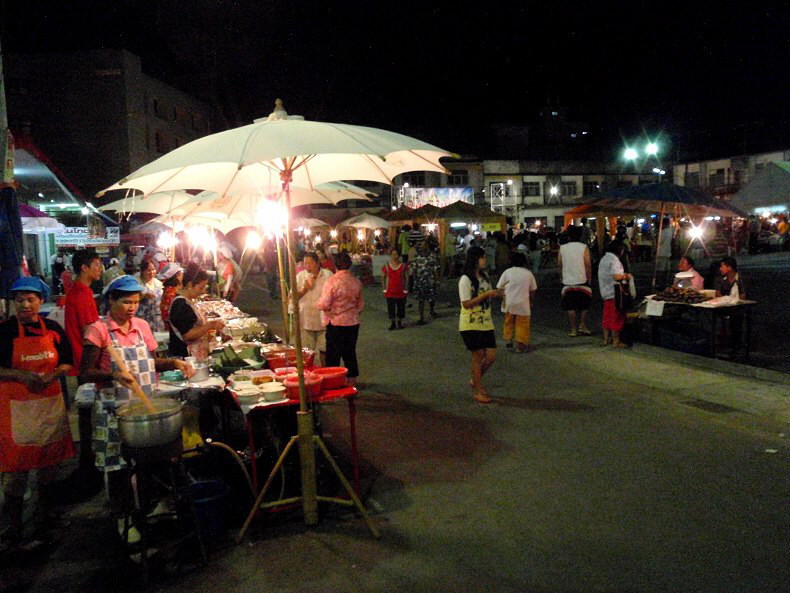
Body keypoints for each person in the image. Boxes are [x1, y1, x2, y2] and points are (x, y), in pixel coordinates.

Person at [79, 276, 193, 538]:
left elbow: (152, 363)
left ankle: (149, 509)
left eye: (136, 302)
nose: (132, 307)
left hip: (144, 409)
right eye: (126, 302)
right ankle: (124, 519)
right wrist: (113, 375)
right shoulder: (98, 331)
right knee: (118, 468)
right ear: (111, 300)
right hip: (114, 411)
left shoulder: (141, 326)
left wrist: (175, 363)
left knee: (148, 462)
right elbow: (84, 373)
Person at [0, 277, 75, 547]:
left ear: (41, 301)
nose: (24, 304)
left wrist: (53, 374)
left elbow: (67, 361)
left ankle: (46, 518)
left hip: (48, 408)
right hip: (15, 412)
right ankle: (12, 529)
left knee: (48, 466)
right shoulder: (5, 331)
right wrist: (21, 375)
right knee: (16, 471)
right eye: (19, 299)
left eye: (30, 299)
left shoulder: (53, 328)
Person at [63, 249, 103, 479]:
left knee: (86, 411)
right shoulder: (82, 294)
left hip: (81, 361)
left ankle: (87, 457)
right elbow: (90, 331)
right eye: (96, 265)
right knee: (87, 412)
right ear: (84, 268)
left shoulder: (79, 292)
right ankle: (88, 461)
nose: (100, 269)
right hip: (85, 362)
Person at [459, 246, 500, 404]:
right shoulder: (465, 280)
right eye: (482, 257)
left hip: (486, 322)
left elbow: (486, 296)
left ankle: (475, 380)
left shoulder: (484, 276)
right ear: (475, 259)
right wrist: (486, 295)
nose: (485, 260)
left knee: (491, 356)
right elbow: (466, 303)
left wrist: (495, 294)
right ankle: (478, 390)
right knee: (478, 356)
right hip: (470, 323)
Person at [316, 252, 364, 387]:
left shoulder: (331, 282)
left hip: (336, 323)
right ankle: (351, 380)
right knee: (350, 352)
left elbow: (324, 303)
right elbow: (360, 305)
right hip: (352, 323)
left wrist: (318, 303)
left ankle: (333, 381)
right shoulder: (356, 281)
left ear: (335, 264)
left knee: (333, 354)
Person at [168, 263, 225, 359]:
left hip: (198, 354)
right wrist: (211, 325)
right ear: (190, 284)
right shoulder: (180, 304)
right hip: (187, 356)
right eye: (201, 287)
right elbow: (187, 335)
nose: (203, 292)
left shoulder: (188, 301)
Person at [295, 252, 333, 365]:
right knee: (307, 353)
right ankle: (309, 375)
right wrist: (304, 289)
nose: (307, 266)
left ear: (317, 263)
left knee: (325, 350)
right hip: (306, 320)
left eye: (310, 263)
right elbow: (293, 297)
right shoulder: (300, 276)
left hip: (324, 320)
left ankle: (326, 373)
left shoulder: (328, 275)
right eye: (305, 264)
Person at [496, 252, 538, 353]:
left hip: (509, 302)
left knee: (508, 321)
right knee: (522, 324)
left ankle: (508, 339)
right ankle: (520, 345)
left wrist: (502, 298)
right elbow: (533, 290)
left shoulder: (507, 272)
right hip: (522, 303)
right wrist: (531, 301)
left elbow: (499, 287)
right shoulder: (528, 274)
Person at [558, 225, 592, 337]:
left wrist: (561, 277)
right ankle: (582, 325)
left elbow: (559, 264)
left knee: (570, 306)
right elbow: (587, 264)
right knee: (584, 305)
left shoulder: (562, 248)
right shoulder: (584, 247)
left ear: (568, 236)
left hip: (568, 280)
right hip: (582, 279)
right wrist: (589, 277)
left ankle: (573, 329)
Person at [598, 241, 632, 348]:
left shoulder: (604, 259)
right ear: (620, 250)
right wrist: (626, 276)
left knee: (606, 316)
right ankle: (616, 341)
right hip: (615, 292)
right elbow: (616, 277)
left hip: (605, 291)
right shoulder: (614, 260)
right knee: (616, 316)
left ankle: (605, 339)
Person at [410, 240, 440, 325]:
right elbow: (413, 269)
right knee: (421, 300)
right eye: (422, 245)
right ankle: (421, 317)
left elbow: (436, 269)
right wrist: (414, 280)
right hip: (420, 281)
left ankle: (431, 310)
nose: (423, 246)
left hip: (430, 281)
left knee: (431, 298)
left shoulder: (432, 256)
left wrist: (437, 280)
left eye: (425, 245)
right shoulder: (417, 257)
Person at [134, 259, 164, 332]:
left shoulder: (158, 283)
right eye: (148, 270)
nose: (151, 272)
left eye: (153, 269)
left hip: (157, 319)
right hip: (142, 318)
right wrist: (143, 296)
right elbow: (132, 299)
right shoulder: (136, 283)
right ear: (142, 271)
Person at [382, 248, 408, 330]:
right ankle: (393, 322)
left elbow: (407, 277)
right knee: (391, 307)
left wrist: (406, 289)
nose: (394, 256)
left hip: (400, 290)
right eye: (392, 254)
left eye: (396, 254)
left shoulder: (403, 265)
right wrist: (384, 289)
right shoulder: (386, 265)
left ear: (399, 255)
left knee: (401, 307)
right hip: (390, 291)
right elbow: (383, 277)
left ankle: (399, 322)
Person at [157, 262, 183, 331]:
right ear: (177, 275)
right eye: (181, 273)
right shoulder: (171, 292)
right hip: (172, 327)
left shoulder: (169, 289)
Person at [656, 218, 675, 287]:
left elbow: (658, 242)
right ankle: (666, 282)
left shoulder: (662, 232)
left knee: (660, 269)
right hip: (667, 252)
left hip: (661, 253)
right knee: (667, 269)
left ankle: (659, 282)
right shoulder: (670, 231)